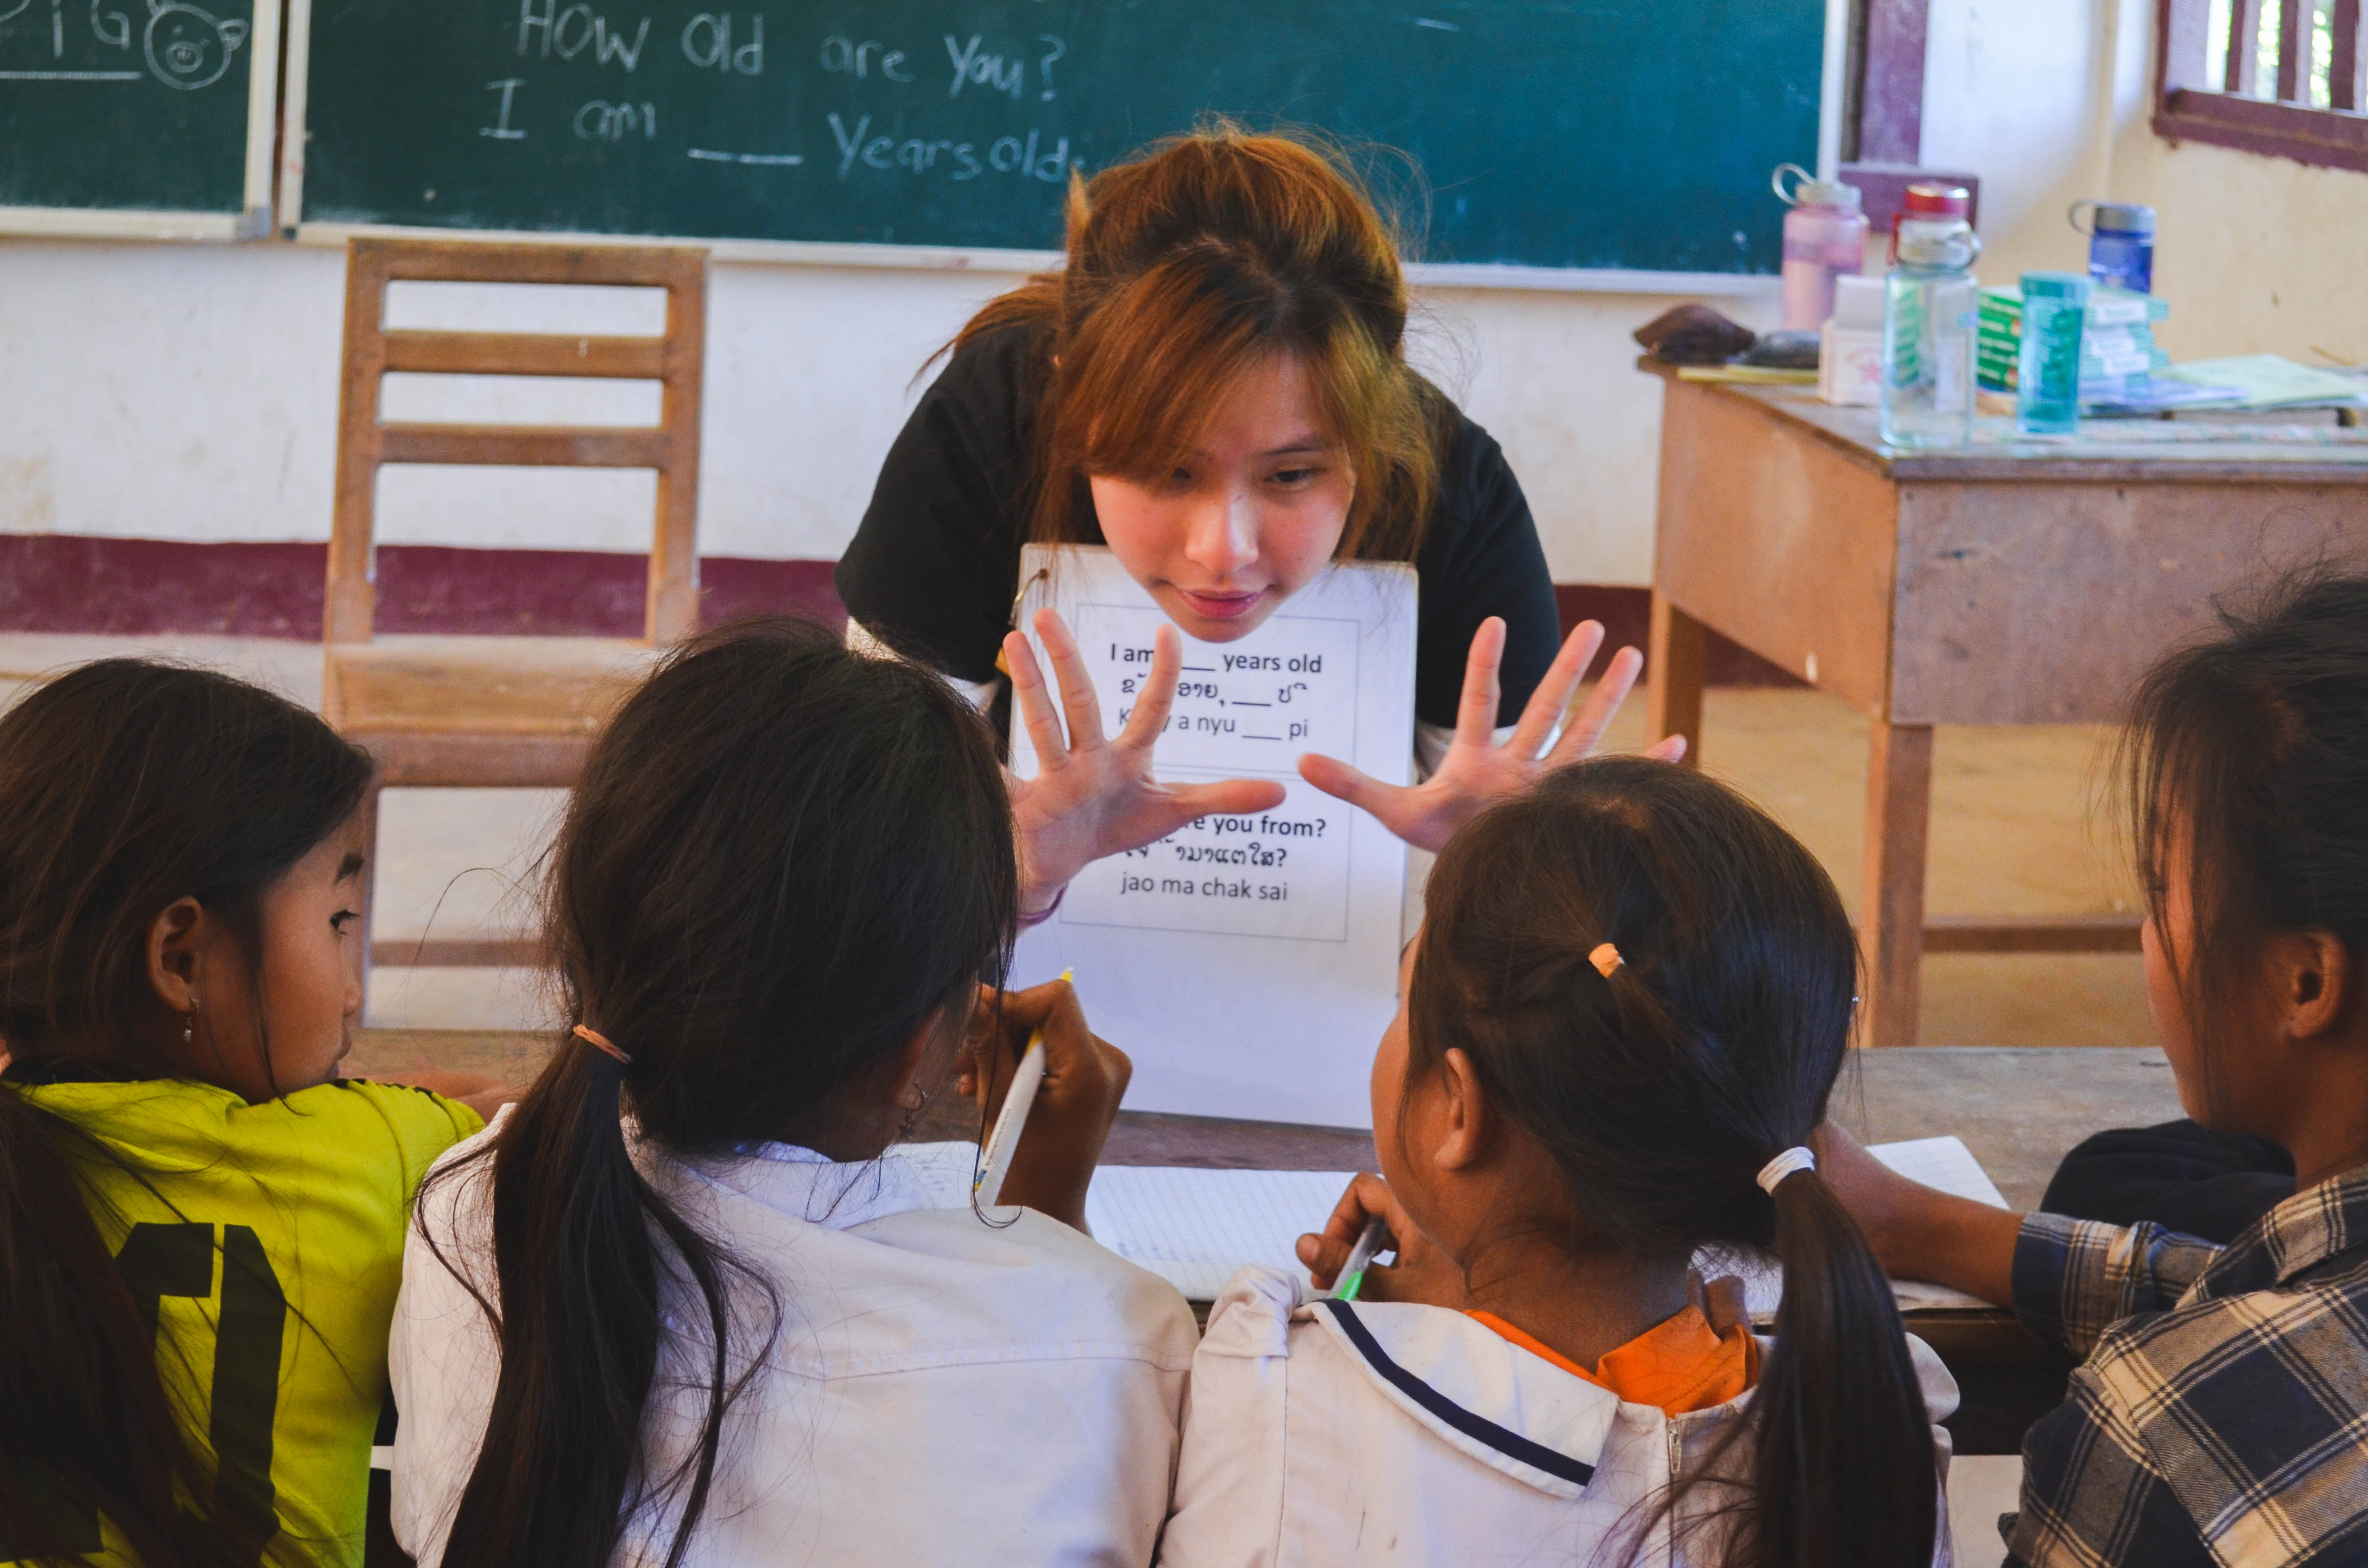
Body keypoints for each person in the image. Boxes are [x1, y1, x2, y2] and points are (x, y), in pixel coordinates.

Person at [388, 621, 1198, 1567]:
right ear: (912, 1058)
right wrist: (1046, 1216)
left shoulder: (472, 1209)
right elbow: (1052, 1387)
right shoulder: (1118, 1337)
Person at [836, 124, 1676, 920]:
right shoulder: (991, 420)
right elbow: (870, 846)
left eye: (1290, 476)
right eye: (1169, 471)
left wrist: (1498, 872)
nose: (1224, 553)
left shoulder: (1454, 486)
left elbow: (1529, 926)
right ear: (1070, 398)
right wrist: (1015, 871)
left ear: (1372, 425)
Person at [1161, 757, 1959, 1567]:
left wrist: (1390, 1322)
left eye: (1405, 999)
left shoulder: (1277, 1395)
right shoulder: (1872, 1419)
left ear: (1458, 1109)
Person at [1818, 569, 2368, 1566]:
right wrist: (1918, 1226)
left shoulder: (2160, 1436)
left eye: (2163, 889)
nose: (2146, 937)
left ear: (2306, 983)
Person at [0, 660, 494, 1568]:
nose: (352, 995)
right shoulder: (378, 1152)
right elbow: (510, 1118)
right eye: (340, 919)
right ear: (181, 960)